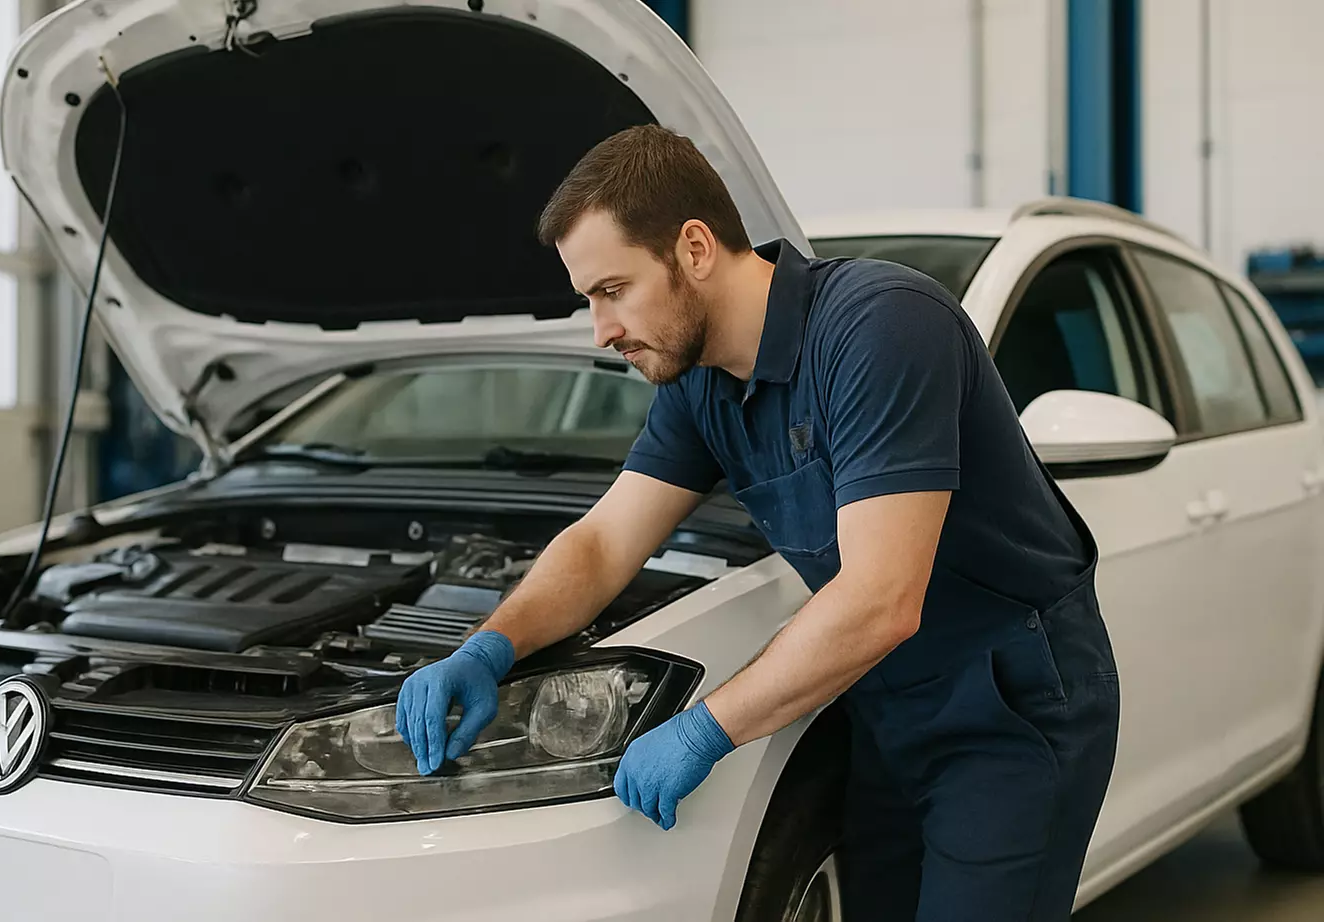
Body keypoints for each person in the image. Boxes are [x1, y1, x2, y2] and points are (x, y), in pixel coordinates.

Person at [394, 124, 1120, 921]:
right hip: (884, 702)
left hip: (1008, 701)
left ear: (696, 249)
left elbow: (882, 598)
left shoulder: (882, 328)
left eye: (611, 291)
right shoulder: (698, 384)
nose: (600, 332)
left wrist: (702, 730)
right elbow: (604, 543)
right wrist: (490, 646)